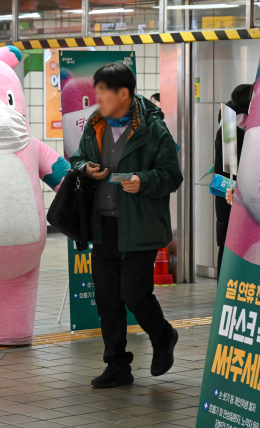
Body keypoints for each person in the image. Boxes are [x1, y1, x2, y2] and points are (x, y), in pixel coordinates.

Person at [70, 63, 183, 388]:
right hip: (102, 226)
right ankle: (117, 365)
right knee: (107, 300)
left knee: (135, 295)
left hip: (140, 227)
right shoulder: (95, 125)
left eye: (105, 91)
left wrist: (143, 181)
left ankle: (164, 337)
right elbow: (76, 158)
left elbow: (172, 176)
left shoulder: (153, 130)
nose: (99, 97)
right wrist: (86, 167)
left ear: (124, 93)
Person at [214, 84, 252, 273]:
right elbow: (231, 169)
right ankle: (227, 293)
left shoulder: (232, 120)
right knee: (232, 243)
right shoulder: (234, 124)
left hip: (232, 195)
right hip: (232, 196)